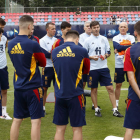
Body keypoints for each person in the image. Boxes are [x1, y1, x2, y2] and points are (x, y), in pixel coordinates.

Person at [8, 15, 46, 140]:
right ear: (29, 26)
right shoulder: (32, 44)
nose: (32, 29)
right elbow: (43, 63)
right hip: (33, 87)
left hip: (18, 87)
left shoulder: (11, 43)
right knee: (35, 122)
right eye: (33, 27)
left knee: (17, 120)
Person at [52, 30, 90, 140]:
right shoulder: (82, 51)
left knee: (59, 129)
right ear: (77, 40)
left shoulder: (55, 51)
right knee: (77, 129)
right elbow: (86, 70)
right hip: (76, 94)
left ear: (64, 39)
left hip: (59, 94)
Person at [84, 21, 123, 117]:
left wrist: (105, 55)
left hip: (104, 68)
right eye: (94, 27)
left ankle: (115, 109)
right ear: (91, 29)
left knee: (110, 88)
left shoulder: (104, 39)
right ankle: (96, 109)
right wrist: (91, 57)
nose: (96, 29)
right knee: (94, 89)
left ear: (99, 27)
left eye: (97, 27)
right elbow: (84, 55)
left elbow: (109, 52)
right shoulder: (87, 40)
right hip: (93, 69)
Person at [123, 21, 140, 140]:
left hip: (135, 95)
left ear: (135, 32)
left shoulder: (130, 50)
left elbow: (130, 78)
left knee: (130, 128)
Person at [113, 22, 135, 109]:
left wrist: (120, 47)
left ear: (127, 29)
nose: (122, 28)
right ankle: (116, 103)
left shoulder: (131, 37)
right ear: (118, 28)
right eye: (121, 27)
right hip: (119, 64)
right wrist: (127, 46)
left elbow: (132, 48)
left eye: (124, 27)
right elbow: (117, 46)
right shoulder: (115, 37)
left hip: (129, 63)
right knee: (118, 84)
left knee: (132, 82)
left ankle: (130, 100)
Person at [40, 22, 57, 115]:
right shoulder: (42, 40)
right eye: (52, 29)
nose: (54, 30)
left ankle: (57, 108)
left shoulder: (56, 40)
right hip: (47, 67)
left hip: (56, 67)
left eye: (55, 28)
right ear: (47, 30)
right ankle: (42, 108)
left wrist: (51, 54)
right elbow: (45, 54)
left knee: (57, 88)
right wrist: (53, 54)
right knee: (44, 88)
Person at [0, 18, 12, 120]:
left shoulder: (4, 38)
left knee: (4, 90)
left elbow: (4, 49)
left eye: (3, 27)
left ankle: (3, 112)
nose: (2, 29)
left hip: (3, 67)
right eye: (1, 27)